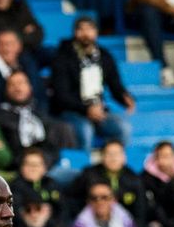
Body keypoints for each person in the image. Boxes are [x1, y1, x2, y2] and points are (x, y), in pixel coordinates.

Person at [50, 15, 136, 149]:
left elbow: (115, 84)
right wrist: (86, 109)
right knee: (85, 130)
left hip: (99, 110)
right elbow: (61, 95)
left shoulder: (104, 56)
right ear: (75, 32)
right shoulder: (63, 57)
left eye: (90, 29)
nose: (85, 34)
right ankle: (86, 168)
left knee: (123, 128)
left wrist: (125, 98)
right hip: (72, 111)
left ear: (96, 32)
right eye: (81, 29)